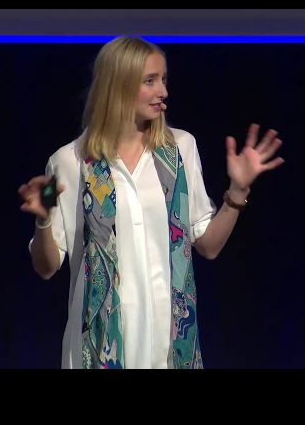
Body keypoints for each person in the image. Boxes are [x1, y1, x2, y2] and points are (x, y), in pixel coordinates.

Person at [17, 36, 284, 369]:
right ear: (117, 85)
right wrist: (43, 220)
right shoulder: (69, 162)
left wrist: (238, 190)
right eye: (150, 81)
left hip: (169, 349)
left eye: (163, 80)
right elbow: (46, 266)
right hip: (97, 352)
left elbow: (208, 245)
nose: (164, 91)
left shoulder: (180, 149)